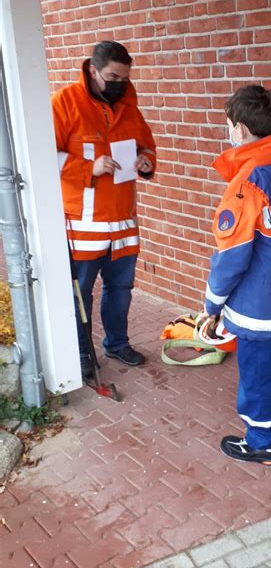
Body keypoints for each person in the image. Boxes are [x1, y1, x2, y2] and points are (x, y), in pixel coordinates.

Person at [203, 85, 271, 467]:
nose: (228, 132)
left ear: (241, 130)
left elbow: (231, 257)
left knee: (254, 375)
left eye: (229, 125)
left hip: (256, 306)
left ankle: (262, 442)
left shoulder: (247, 184)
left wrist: (212, 305)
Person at [52, 40, 156, 379]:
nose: (119, 84)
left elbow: (147, 147)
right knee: (79, 295)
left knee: (120, 290)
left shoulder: (129, 106)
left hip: (123, 222)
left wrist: (145, 162)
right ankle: (81, 353)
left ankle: (117, 343)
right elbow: (42, 156)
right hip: (82, 226)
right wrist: (89, 168)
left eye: (124, 78)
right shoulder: (64, 103)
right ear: (93, 71)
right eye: (113, 76)